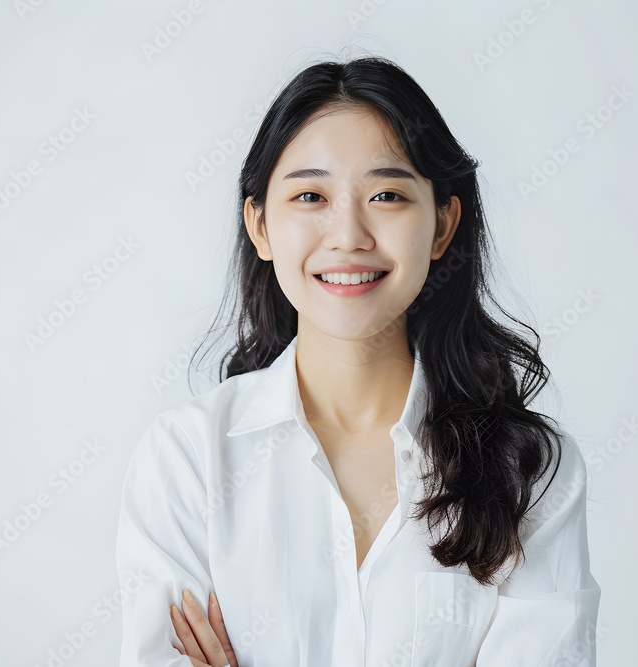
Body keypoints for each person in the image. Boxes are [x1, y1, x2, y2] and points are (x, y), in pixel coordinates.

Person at [116, 55, 601, 667]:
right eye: (310, 195)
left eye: (387, 195)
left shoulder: (528, 469)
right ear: (260, 226)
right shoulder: (188, 459)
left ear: (443, 225)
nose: (348, 235)